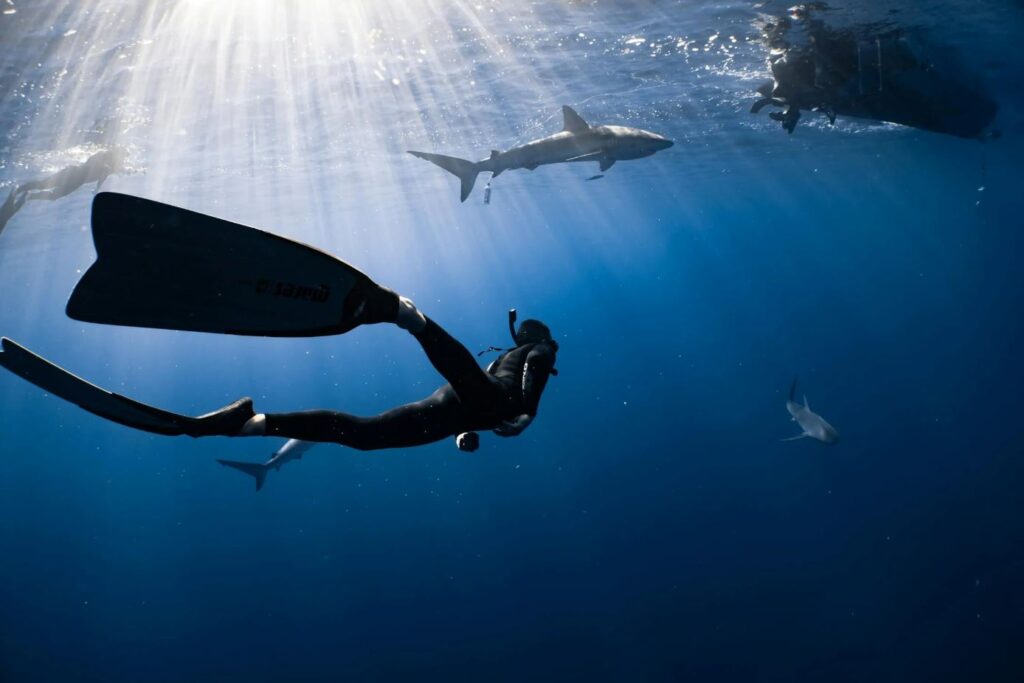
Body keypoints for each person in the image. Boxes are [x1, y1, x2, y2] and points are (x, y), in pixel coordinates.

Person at [187, 290, 558, 452]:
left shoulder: (502, 358)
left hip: (458, 408)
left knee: (367, 436)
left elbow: (473, 378)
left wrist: (460, 434)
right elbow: (538, 368)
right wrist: (529, 412)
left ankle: (249, 423)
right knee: (368, 434)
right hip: (484, 403)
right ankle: (407, 316)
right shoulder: (541, 348)